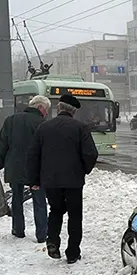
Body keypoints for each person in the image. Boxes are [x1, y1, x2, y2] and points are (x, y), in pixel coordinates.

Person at [27, 94, 99, 264]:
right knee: (75, 215)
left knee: (56, 210)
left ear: (58, 108)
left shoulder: (44, 127)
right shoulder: (80, 128)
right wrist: (83, 170)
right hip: (74, 181)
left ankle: (52, 240)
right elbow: (91, 154)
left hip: (50, 180)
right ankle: (73, 253)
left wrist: (35, 180)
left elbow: (33, 155)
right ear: (74, 111)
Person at [0, 95, 49, 242]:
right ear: (40, 107)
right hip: (36, 170)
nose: (47, 113)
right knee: (39, 201)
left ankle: (18, 230)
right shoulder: (42, 124)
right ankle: (42, 234)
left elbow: (1, 145)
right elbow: (47, 150)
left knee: (17, 199)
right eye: (46, 110)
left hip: (15, 167)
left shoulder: (11, 120)